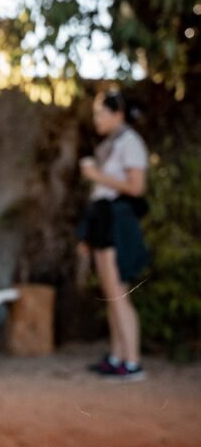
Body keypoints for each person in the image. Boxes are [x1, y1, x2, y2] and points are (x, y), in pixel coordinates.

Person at [76, 89, 150, 380]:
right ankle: (118, 357)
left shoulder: (130, 142)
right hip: (102, 219)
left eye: (100, 113)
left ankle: (132, 362)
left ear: (117, 114)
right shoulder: (111, 144)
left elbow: (136, 188)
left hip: (117, 221)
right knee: (110, 293)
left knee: (119, 293)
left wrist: (96, 175)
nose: (96, 119)